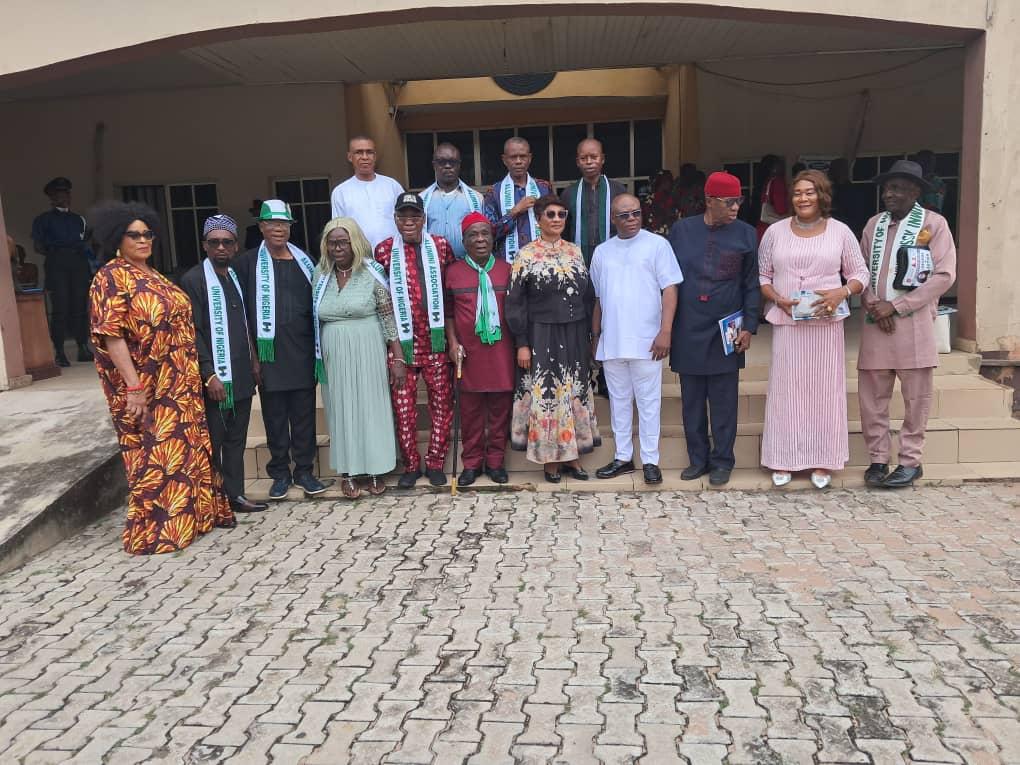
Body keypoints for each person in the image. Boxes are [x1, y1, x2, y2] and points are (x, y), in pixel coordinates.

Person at [87, 201, 235, 554]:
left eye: (148, 234)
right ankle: (159, 531)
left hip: (181, 385)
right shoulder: (110, 277)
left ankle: (193, 519)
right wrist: (134, 387)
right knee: (157, 456)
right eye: (134, 235)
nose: (143, 240)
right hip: (150, 387)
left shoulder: (152, 275)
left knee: (187, 453)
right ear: (116, 239)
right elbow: (112, 336)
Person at [758, 170, 870, 489]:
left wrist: (842, 292)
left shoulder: (840, 232)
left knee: (823, 393)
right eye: (797, 193)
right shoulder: (776, 232)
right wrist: (777, 298)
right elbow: (763, 276)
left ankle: (823, 459)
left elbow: (860, 273)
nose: (803, 198)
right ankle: (784, 458)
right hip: (788, 323)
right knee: (786, 392)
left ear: (822, 196)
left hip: (825, 326)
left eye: (809, 192)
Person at [858, 160, 957, 488]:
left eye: (898, 188)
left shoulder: (934, 224)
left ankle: (911, 461)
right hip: (876, 322)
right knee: (873, 396)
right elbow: (861, 273)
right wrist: (875, 305)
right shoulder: (874, 224)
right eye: (887, 188)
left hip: (913, 324)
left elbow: (944, 276)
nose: (889, 193)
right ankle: (877, 458)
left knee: (916, 397)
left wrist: (896, 307)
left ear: (915, 192)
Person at [234, 200, 332, 500]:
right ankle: (279, 473)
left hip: (302, 351)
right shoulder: (247, 263)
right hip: (269, 355)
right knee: (275, 417)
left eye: (284, 224)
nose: (279, 229)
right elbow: (241, 315)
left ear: (290, 227)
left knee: (303, 415)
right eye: (272, 223)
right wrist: (252, 355)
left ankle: (304, 471)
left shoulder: (306, 261)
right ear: (261, 226)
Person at [668, 171, 760, 486]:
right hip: (688, 327)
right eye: (729, 201)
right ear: (709, 200)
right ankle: (698, 460)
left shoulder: (746, 234)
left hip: (727, 330)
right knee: (692, 400)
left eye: (739, 201)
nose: (736, 207)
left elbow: (751, 284)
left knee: (724, 400)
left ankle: (723, 460)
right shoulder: (681, 231)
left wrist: (749, 325)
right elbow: (668, 282)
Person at [506, 194, 600, 482]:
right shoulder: (526, 255)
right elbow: (515, 302)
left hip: (574, 332)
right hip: (541, 334)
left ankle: (572, 457)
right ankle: (550, 461)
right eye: (551, 214)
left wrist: (589, 336)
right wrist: (522, 342)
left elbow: (587, 295)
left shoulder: (575, 251)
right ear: (539, 219)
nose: (557, 219)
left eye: (562, 214)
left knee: (574, 392)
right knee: (548, 396)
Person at [591, 194, 683, 485]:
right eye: (624, 215)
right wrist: (595, 337)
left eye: (636, 213)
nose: (631, 219)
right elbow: (598, 298)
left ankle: (651, 461)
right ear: (613, 219)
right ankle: (622, 458)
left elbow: (670, 290)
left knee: (648, 402)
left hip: (648, 341)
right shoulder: (602, 252)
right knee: (618, 402)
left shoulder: (658, 245)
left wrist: (665, 330)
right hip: (613, 340)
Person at [180, 214, 268, 514]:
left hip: (241, 373)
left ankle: (234, 496)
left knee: (236, 440)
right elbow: (194, 332)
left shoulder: (235, 276)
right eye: (214, 242)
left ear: (235, 246)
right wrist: (209, 375)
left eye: (226, 242)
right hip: (215, 379)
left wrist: (255, 360)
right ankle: (210, 501)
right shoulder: (194, 280)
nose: (221, 248)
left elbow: (244, 323)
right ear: (205, 245)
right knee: (213, 441)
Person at [313, 217, 402, 498]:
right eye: (332, 242)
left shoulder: (371, 271)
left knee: (370, 406)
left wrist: (397, 356)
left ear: (355, 242)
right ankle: (349, 470)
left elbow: (388, 315)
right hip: (334, 350)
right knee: (341, 408)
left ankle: (376, 468)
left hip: (368, 345)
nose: (337, 247)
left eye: (343, 241)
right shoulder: (320, 273)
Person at [375, 192, 456, 489]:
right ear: (395, 219)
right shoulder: (383, 250)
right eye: (403, 217)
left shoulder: (442, 246)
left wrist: (451, 339)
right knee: (403, 407)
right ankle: (411, 464)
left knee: (441, 404)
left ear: (423, 219)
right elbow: (380, 300)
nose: (409, 222)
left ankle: (435, 463)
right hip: (402, 343)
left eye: (414, 216)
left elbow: (449, 291)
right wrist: (393, 349)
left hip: (434, 341)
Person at [444, 212, 515, 486]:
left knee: (499, 411)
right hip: (468, 354)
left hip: (501, 352)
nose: (480, 239)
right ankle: (471, 463)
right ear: (464, 241)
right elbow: (448, 313)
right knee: (471, 414)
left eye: (485, 233)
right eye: (473, 235)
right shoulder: (453, 272)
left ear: (493, 236)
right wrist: (452, 343)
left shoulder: (507, 269)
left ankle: (495, 462)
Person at [31, 176, 92, 367]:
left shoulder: (78, 219)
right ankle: (59, 351)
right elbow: (38, 246)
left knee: (80, 307)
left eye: (66, 193)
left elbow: (86, 241)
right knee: (61, 309)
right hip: (57, 263)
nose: (63, 197)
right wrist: (57, 252)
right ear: (51, 197)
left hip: (78, 263)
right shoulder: (43, 220)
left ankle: (83, 346)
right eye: (58, 193)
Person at [483, 137, 554, 262]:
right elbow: (488, 234)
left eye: (523, 156)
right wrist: (514, 212)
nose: (518, 161)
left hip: (543, 261)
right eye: (513, 157)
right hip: (507, 263)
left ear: (530, 158)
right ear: (504, 160)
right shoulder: (493, 192)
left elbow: (555, 224)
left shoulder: (544, 188)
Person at [559, 138, 626, 266]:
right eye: (583, 158)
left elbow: (626, 223)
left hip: (615, 256)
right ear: (578, 162)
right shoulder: (568, 193)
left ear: (602, 159)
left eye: (594, 157)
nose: (589, 162)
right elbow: (564, 229)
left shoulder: (618, 190)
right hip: (577, 257)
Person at [330, 136, 405, 248]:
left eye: (369, 152)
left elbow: (407, 218)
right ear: (350, 157)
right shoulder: (341, 192)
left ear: (375, 156)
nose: (365, 157)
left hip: (395, 255)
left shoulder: (392, 186)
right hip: (360, 258)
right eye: (359, 152)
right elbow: (339, 230)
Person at [421, 142, 484, 260]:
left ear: (459, 165)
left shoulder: (476, 198)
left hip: (466, 263)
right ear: (434, 165)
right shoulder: (422, 198)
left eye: (453, 162)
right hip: (433, 263)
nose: (448, 166)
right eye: (441, 162)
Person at [754, 154, 788, 240]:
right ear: (774, 168)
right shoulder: (777, 182)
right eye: (780, 165)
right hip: (774, 230)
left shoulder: (764, 181)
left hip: (762, 229)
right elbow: (781, 209)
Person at [641, 169, 678, 235]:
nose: (672, 183)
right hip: (654, 237)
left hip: (673, 236)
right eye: (669, 180)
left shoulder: (673, 199)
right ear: (662, 182)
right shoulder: (648, 201)